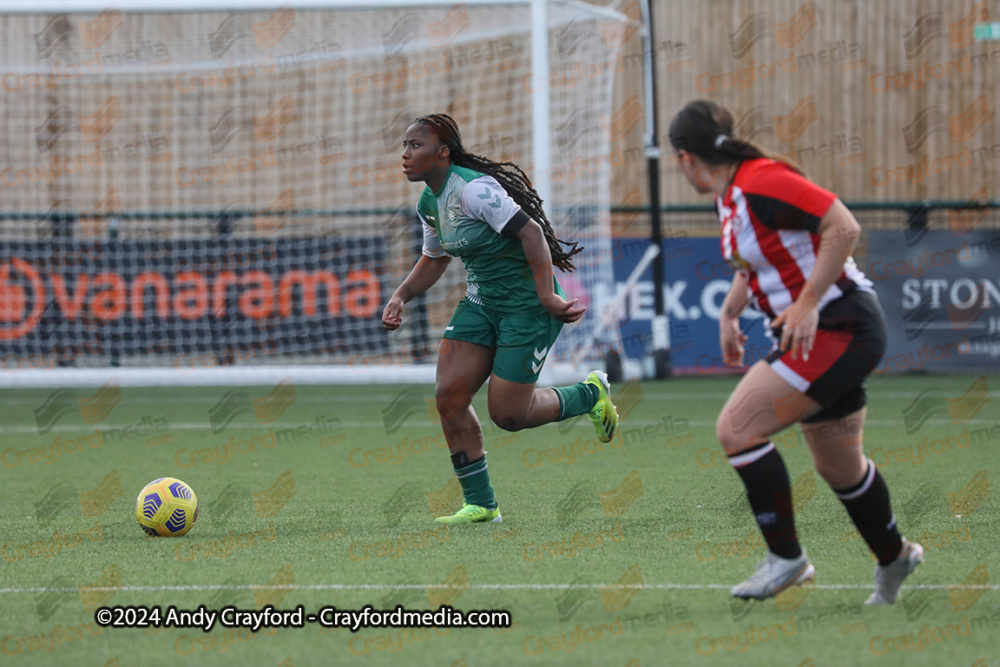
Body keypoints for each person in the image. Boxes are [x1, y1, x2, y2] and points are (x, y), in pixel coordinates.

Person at [668, 100, 922, 604]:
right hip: (819, 330)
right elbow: (752, 263)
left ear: (684, 158)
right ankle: (895, 558)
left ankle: (787, 560)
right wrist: (728, 314)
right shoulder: (731, 194)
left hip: (840, 325)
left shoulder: (761, 179)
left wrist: (805, 304)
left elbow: (844, 227)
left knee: (737, 428)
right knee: (840, 468)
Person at [382, 113, 619, 524]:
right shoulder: (428, 202)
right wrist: (402, 295)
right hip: (480, 303)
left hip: (528, 305)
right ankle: (481, 504)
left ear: (442, 153)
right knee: (449, 397)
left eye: (415, 146)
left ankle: (589, 395)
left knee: (509, 416)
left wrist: (547, 295)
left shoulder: (474, 190)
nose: (405, 155)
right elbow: (434, 259)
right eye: (404, 146)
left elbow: (532, 234)